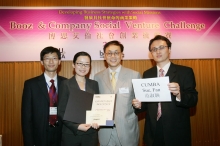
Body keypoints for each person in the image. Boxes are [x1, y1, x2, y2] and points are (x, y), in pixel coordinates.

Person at [132, 35, 198, 146]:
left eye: (161, 47)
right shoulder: (147, 74)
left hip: (176, 132)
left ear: (169, 50)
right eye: (154, 49)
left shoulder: (185, 72)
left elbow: (193, 100)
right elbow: (147, 103)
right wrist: (139, 105)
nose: (158, 51)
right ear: (151, 53)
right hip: (153, 130)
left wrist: (179, 94)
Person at [94, 40, 140, 146]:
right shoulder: (97, 77)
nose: (113, 56)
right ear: (104, 56)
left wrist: (139, 104)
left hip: (127, 130)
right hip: (105, 131)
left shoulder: (134, 75)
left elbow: (140, 104)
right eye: (109, 53)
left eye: (116, 52)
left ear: (122, 55)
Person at [21, 46, 67, 146]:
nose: (51, 62)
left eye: (54, 58)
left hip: (62, 135)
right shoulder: (30, 85)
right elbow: (26, 117)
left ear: (59, 62)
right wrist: (29, 142)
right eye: (47, 58)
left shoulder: (67, 83)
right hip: (39, 136)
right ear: (42, 62)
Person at [58, 51, 99, 146]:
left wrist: (98, 120)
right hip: (71, 134)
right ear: (73, 64)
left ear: (90, 66)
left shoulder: (94, 84)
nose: (83, 67)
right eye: (80, 64)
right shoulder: (65, 84)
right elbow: (61, 111)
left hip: (90, 134)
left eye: (86, 64)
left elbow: (97, 107)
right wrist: (77, 126)